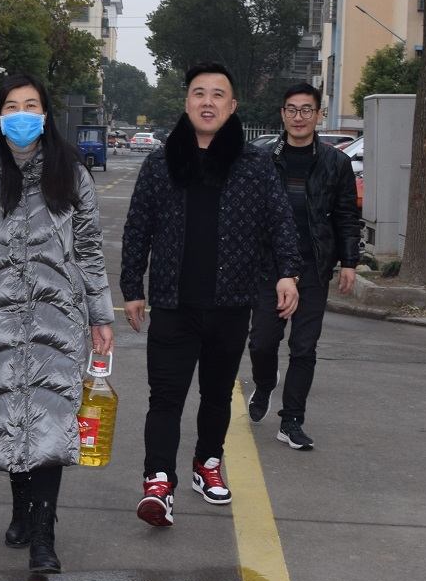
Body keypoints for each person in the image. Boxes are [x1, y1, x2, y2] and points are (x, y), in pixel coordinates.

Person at [120, 62, 302, 527]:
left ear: (232, 105)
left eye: (218, 94)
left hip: (231, 303)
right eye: (199, 93)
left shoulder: (254, 165)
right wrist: (132, 289)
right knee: (165, 397)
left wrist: (288, 273)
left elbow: (280, 223)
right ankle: (158, 483)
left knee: (218, 394)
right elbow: (138, 229)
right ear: (186, 103)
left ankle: (207, 463)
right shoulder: (161, 163)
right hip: (172, 304)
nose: (208, 102)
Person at [0, 73, 114, 574]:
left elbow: (89, 248)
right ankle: (20, 507)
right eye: (11, 107)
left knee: (50, 420)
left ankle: (44, 532)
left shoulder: (72, 174)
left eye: (31, 105)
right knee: (7, 414)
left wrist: (100, 315)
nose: (21, 115)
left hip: (56, 320)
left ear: (45, 115)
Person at [246, 82, 361, 451]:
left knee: (304, 347)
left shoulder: (336, 162)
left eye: (306, 110)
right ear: (282, 114)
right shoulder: (261, 160)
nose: (299, 117)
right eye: (292, 110)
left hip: (314, 266)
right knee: (262, 342)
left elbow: (346, 216)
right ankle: (265, 383)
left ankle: (292, 420)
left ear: (319, 115)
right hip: (269, 266)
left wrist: (349, 262)